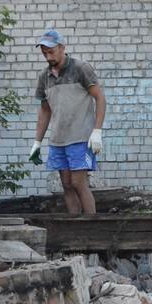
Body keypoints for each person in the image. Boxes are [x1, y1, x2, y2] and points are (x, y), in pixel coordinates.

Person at [30, 27, 106, 214]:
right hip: (59, 139)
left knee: (78, 182)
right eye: (44, 53)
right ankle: (75, 226)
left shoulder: (80, 68)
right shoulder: (44, 77)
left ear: (62, 47)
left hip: (81, 137)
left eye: (51, 52)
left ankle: (91, 226)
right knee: (66, 184)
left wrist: (97, 131)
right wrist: (37, 142)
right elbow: (45, 110)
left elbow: (100, 98)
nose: (48, 57)